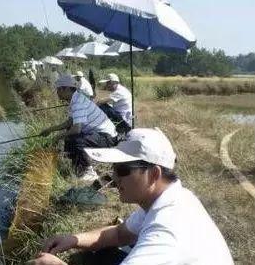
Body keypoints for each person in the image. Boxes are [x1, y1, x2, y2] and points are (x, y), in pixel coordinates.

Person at [28, 128, 234, 265]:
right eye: (114, 168)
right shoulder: (167, 199)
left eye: (123, 169)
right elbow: (119, 234)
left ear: (154, 174)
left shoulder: (166, 230)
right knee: (96, 256)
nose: (114, 177)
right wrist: (72, 239)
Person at [40, 75, 118, 181]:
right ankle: (77, 166)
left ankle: (89, 171)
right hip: (100, 134)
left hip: (107, 137)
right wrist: (50, 130)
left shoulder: (77, 102)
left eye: (58, 90)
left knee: (76, 139)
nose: (57, 93)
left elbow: (77, 129)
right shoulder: (76, 98)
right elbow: (71, 122)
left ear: (66, 89)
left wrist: (57, 137)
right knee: (70, 134)